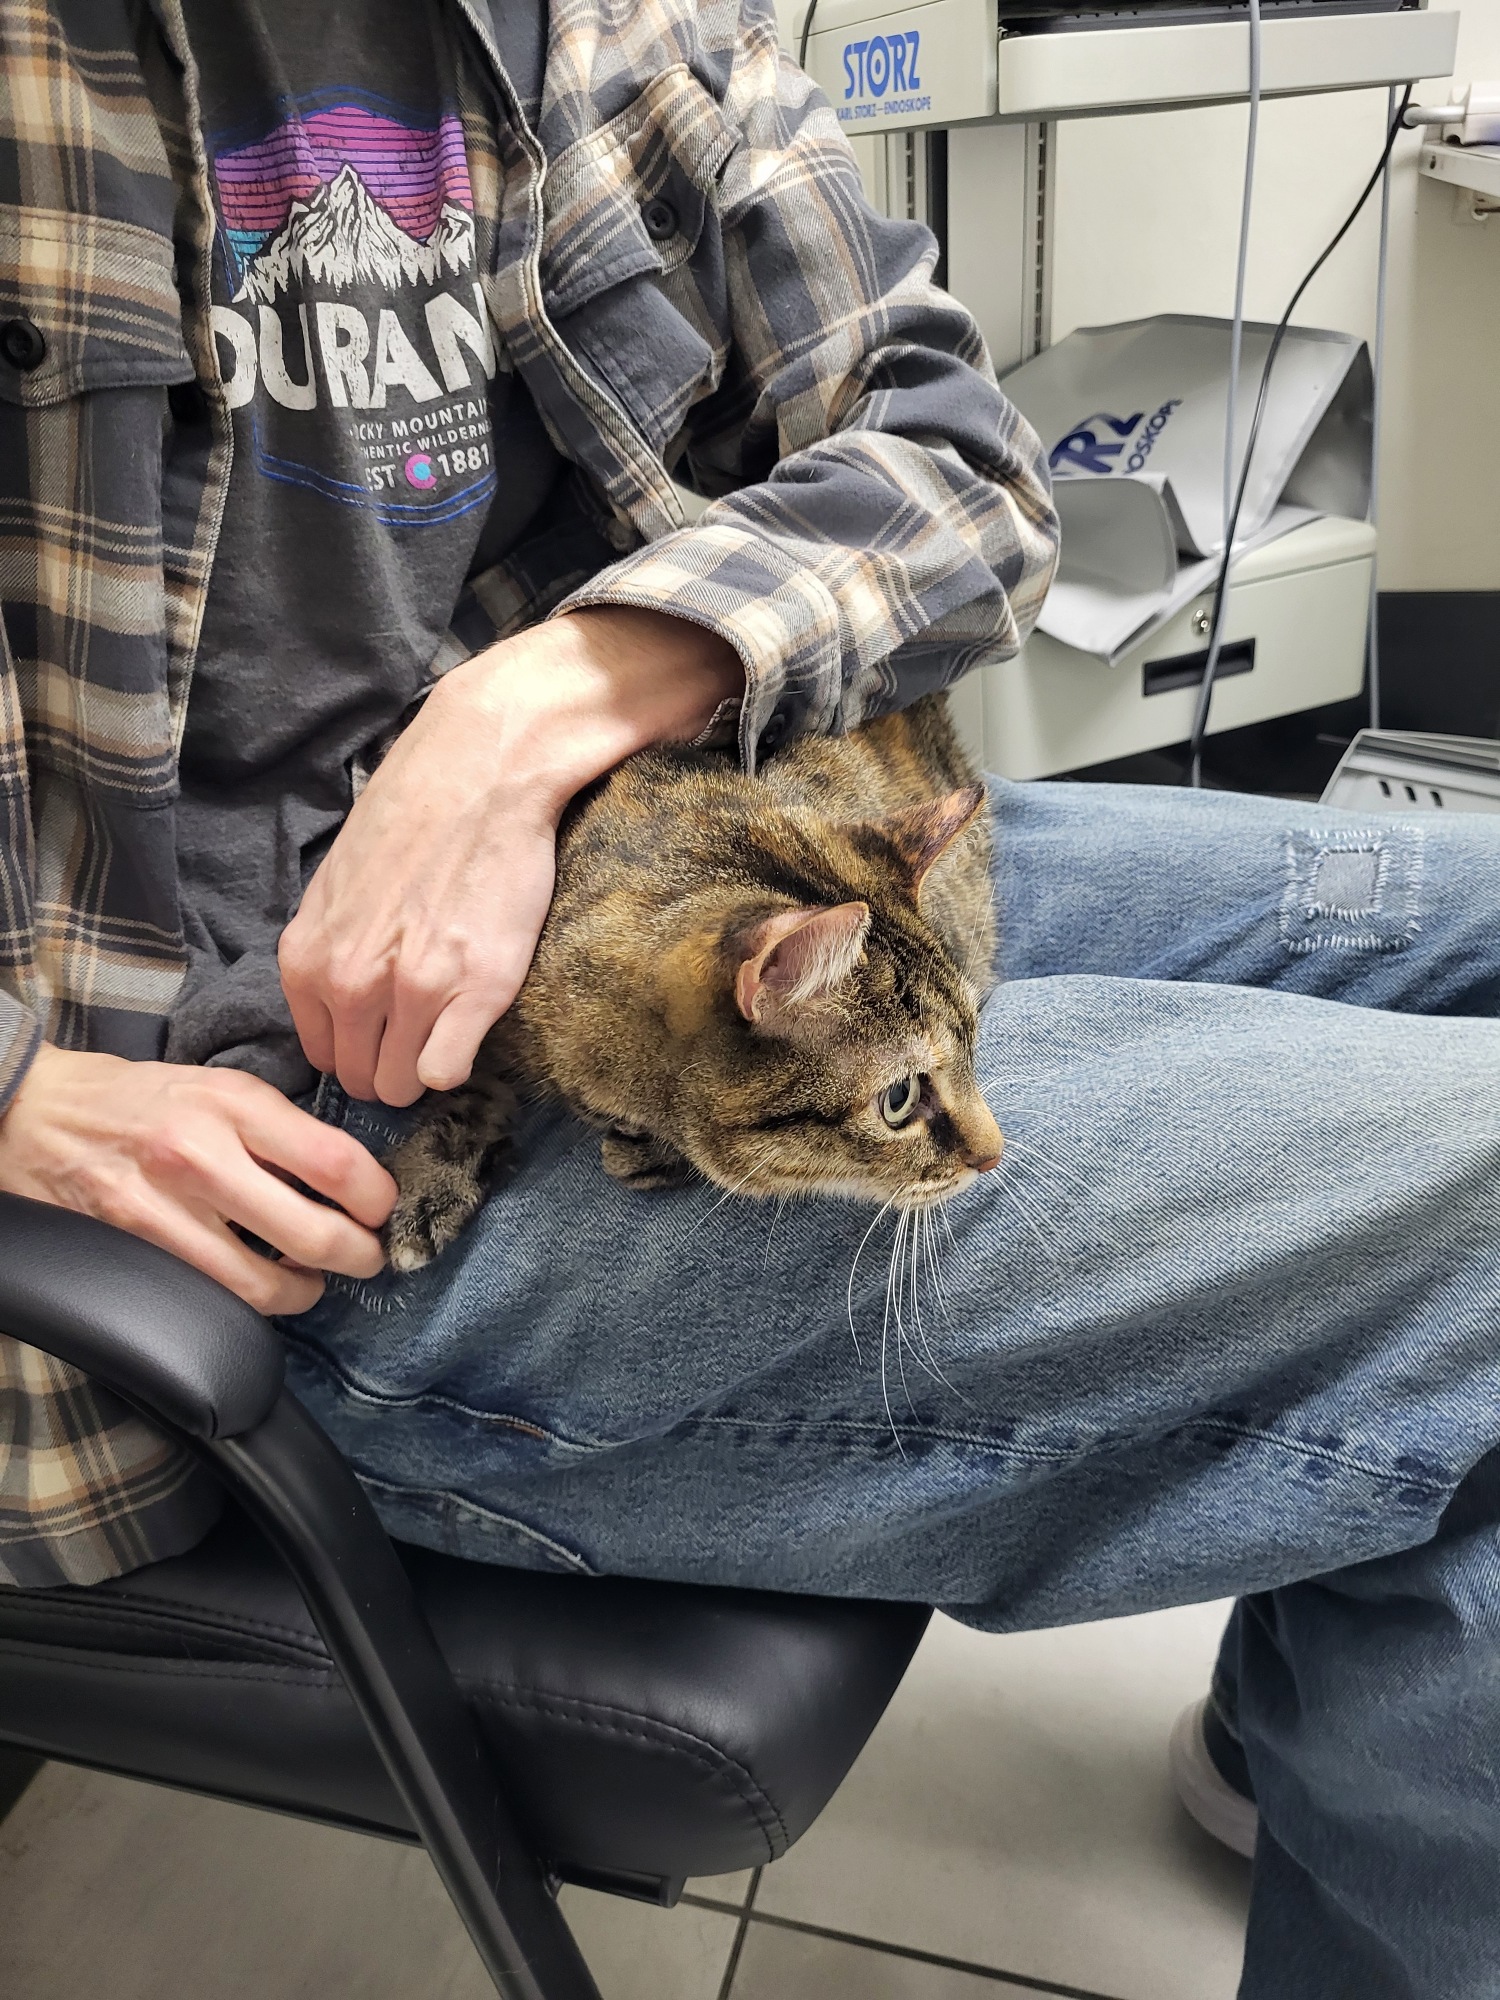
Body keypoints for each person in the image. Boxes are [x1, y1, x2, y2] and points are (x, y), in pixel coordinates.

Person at [0, 3, 1495, 1994]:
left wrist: (539, 704)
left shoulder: (592, 34)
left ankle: (1365, 1672)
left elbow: (965, 463)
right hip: (322, 1150)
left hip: (728, 869)